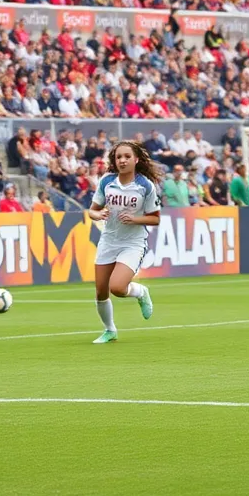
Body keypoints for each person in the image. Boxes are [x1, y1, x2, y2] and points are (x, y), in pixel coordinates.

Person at [87, 141, 161, 344]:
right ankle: (110, 330)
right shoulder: (107, 181)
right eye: (119, 157)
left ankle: (141, 292)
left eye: (127, 156)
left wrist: (135, 219)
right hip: (109, 240)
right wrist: (98, 213)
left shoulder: (145, 186)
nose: (122, 160)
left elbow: (155, 218)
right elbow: (92, 210)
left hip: (133, 243)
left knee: (117, 288)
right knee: (101, 291)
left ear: (136, 159)